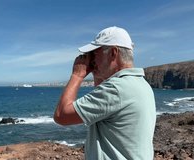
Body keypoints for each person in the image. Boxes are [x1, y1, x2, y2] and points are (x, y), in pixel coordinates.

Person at [54, 26, 156, 160]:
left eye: (95, 53)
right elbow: (103, 103)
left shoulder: (116, 89)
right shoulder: (140, 84)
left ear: (113, 53)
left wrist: (77, 75)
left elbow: (61, 116)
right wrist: (98, 70)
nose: (92, 60)